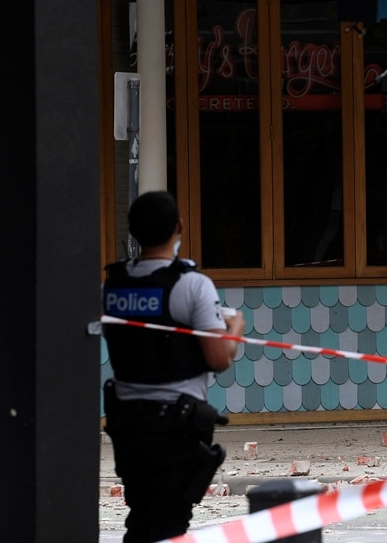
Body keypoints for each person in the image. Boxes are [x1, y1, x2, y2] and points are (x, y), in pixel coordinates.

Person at [101, 190, 246, 543]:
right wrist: (236, 329)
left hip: (128, 423)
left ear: (133, 231)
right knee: (169, 525)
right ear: (179, 226)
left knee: (140, 518)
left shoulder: (113, 284)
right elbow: (218, 359)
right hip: (173, 427)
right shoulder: (192, 285)